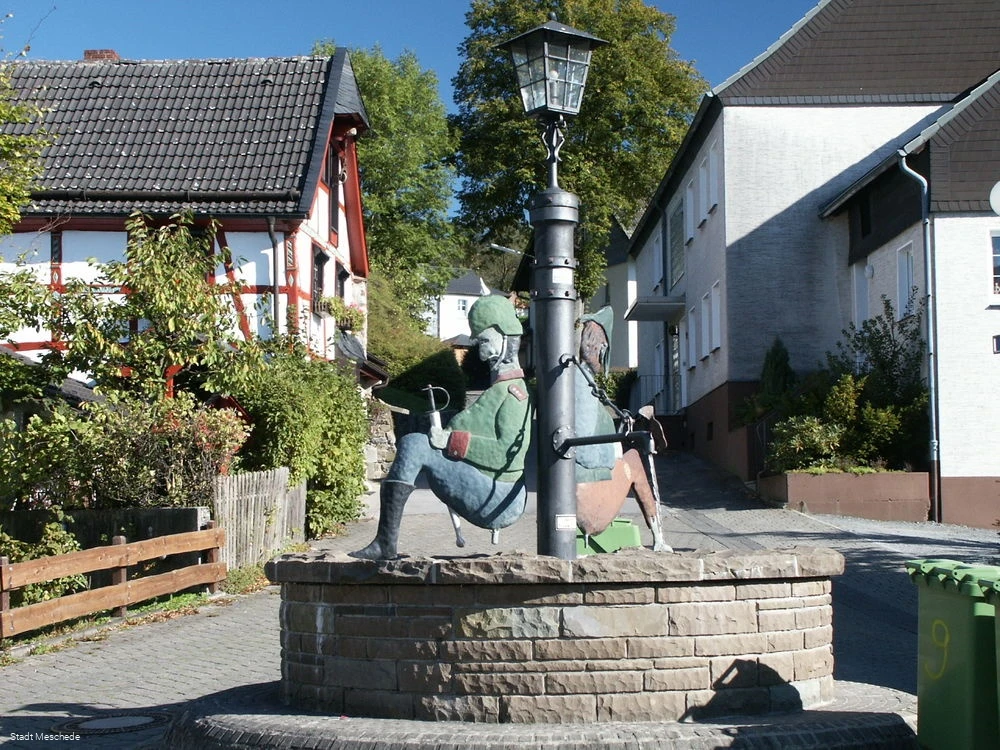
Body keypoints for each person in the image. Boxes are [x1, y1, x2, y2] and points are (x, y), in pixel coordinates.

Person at [350, 295, 532, 560]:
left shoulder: (515, 394)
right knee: (415, 444)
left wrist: (450, 441)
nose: (480, 351)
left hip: (499, 496)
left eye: (484, 341)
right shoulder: (500, 390)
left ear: (505, 337)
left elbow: (507, 453)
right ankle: (384, 542)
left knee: (414, 445)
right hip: (489, 487)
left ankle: (385, 543)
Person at [574, 307, 671, 552]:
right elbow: (583, 451)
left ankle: (658, 537)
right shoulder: (582, 383)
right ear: (600, 348)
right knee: (635, 462)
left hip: (573, 490)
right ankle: (659, 539)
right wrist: (613, 453)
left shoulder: (574, 378)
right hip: (585, 500)